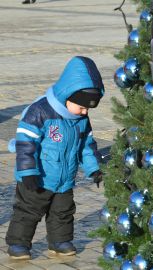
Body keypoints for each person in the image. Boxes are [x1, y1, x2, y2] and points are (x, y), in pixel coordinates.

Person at [5, 56, 105, 260]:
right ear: (68, 96)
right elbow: (26, 143)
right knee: (28, 211)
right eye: (82, 107)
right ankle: (18, 244)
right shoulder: (40, 112)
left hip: (65, 179)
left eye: (88, 109)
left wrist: (94, 168)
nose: (85, 112)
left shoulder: (81, 119)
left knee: (63, 212)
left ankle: (60, 241)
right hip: (38, 177)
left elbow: (87, 145)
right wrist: (28, 172)